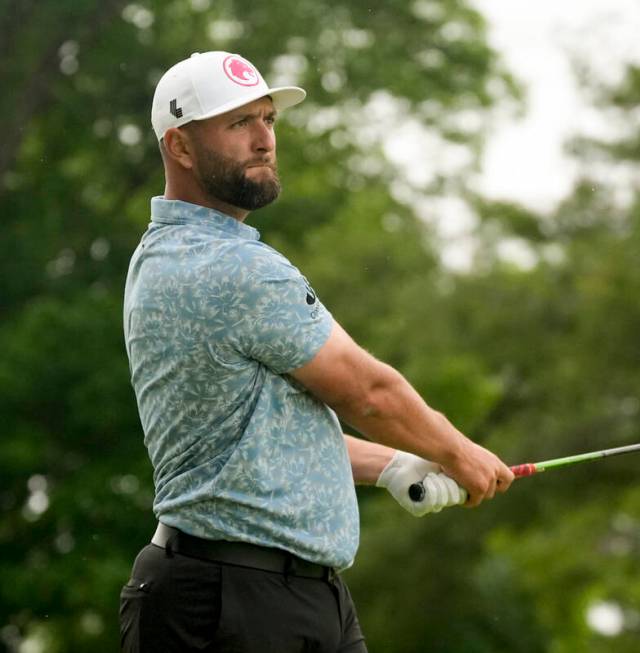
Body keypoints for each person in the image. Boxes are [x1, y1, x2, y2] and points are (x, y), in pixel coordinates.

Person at [119, 51, 514, 652]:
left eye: (268, 120)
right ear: (180, 147)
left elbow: (258, 433)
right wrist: (459, 453)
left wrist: (391, 466)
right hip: (232, 603)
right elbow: (369, 392)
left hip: (288, 596)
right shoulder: (230, 266)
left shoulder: (164, 252)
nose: (263, 141)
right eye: (237, 124)